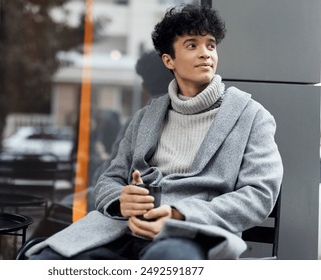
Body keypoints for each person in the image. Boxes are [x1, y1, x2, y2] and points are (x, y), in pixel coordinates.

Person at [26, 4, 283, 260]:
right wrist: (120, 200)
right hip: (122, 230)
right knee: (45, 260)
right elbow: (109, 179)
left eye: (211, 45)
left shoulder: (251, 116)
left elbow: (259, 195)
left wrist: (179, 214)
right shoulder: (146, 118)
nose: (206, 53)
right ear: (168, 60)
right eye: (192, 45)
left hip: (194, 234)